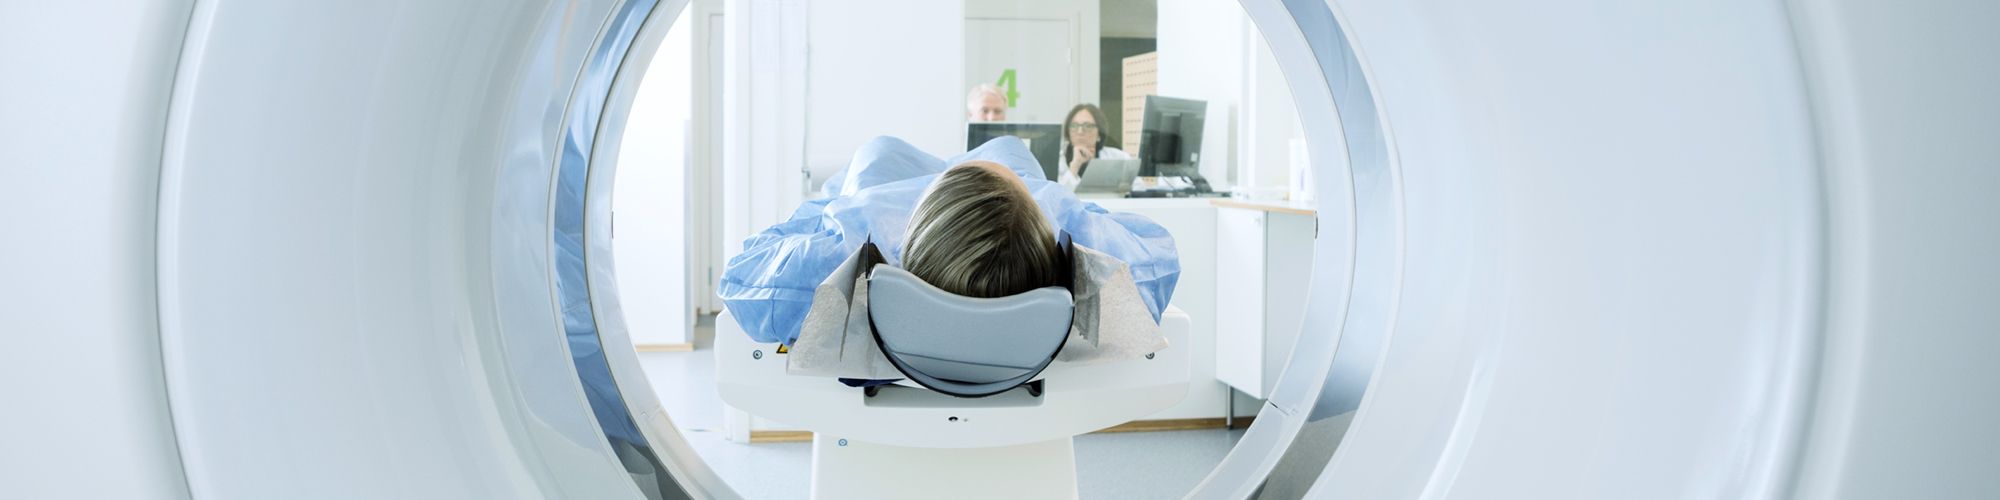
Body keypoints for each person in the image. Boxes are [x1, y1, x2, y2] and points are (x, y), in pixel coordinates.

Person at [719, 136, 1179, 344]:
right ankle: (1002, 165)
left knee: (880, 149)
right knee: (1008, 146)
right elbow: (1155, 253)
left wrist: (826, 213)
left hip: (895, 196)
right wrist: (1074, 215)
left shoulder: (855, 232)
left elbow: (742, 278)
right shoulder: (1055, 215)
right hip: (1008, 202)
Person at [1057, 103, 1131, 188]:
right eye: (1074, 126)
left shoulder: (1119, 158)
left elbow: (1138, 188)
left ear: (1099, 134)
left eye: (1087, 126)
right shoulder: (1058, 161)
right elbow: (1058, 196)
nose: (1080, 131)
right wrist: (1075, 165)